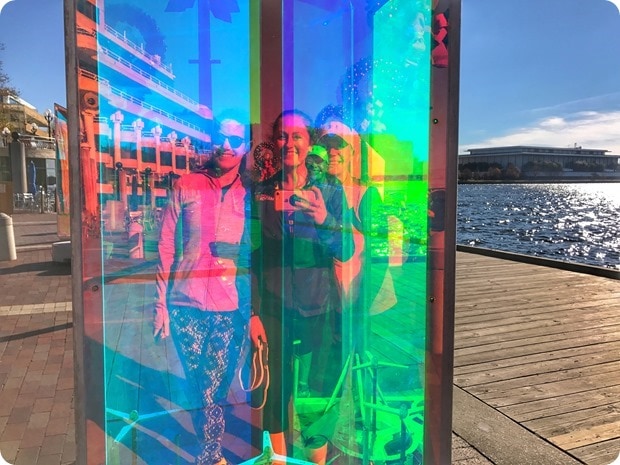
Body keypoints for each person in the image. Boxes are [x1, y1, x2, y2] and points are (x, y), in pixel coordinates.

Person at [250, 109, 351, 456]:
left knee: (318, 390)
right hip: (273, 306)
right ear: (274, 142)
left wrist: (323, 219)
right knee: (274, 390)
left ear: (309, 143)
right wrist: (252, 312)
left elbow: (346, 249)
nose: (289, 143)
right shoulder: (262, 192)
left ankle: (315, 460)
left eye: (297, 136)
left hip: (319, 303)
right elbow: (251, 256)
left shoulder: (330, 189)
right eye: (282, 136)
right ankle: (279, 460)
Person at [154, 113, 251, 465]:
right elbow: (166, 245)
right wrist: (160, 306)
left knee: (214, 385)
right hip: (186, 302)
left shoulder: (251, 193)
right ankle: (211, 454)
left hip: (231, 305)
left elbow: (261, 250)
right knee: (199, 386)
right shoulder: (187, 184)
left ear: (245, 146)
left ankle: (209, 456)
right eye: (220, 137)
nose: (226, 145)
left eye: (235, 140)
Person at [315, 105, 390, 352]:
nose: (332, 151)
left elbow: (380, 256)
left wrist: (363, 307)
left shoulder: (366, 195)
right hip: (323, 306)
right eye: (326, 145)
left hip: (355, 306)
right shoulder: (314, 192)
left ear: (353, 151)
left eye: (339, 144)